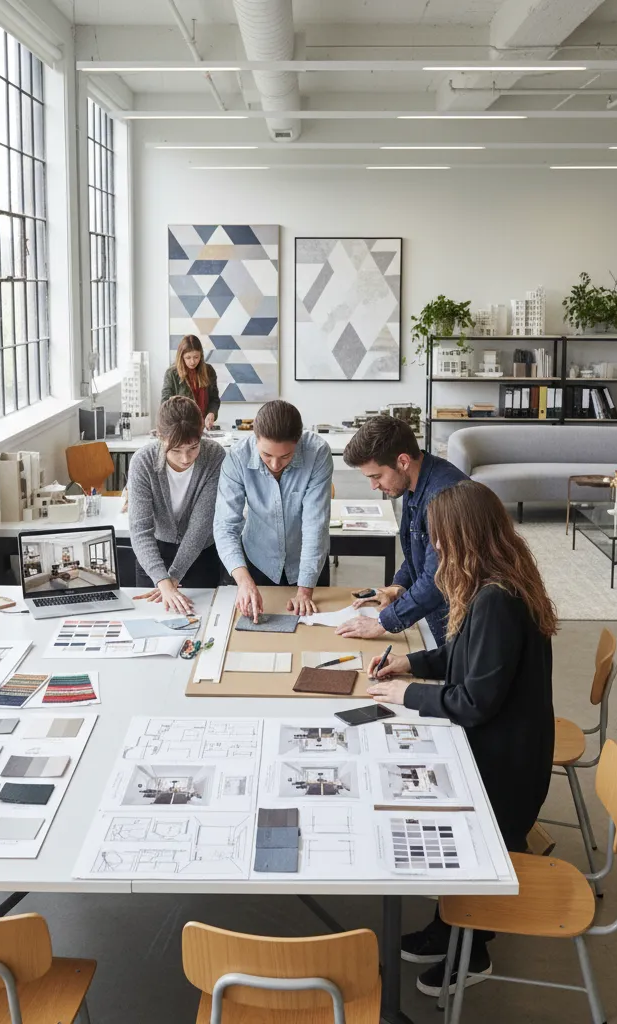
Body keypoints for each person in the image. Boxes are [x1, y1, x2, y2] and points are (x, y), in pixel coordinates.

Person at [366, 480, 556, 998]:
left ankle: (475, 945)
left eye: (441, 540)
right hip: (507, 747)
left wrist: (408, 695)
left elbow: (474, 701)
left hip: (505, 770)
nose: (438, 551)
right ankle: (448, 921)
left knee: (422, 804)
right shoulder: (495, 582)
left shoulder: (497, 600)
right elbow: (464, 657)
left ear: (465, 537)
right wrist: (411, 662)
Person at [337, 415, 466, 645]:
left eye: (376, 476)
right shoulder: (413, 482)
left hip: (463, 628)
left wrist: (382, 623)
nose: (374, 486)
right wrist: (397, 587)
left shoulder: (444, 498)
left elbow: (437, 578)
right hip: (441, 621)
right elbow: (418, 552)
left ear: (403, 461)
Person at [214, 400, 333, 620]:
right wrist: (244, 581)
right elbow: (225, 526)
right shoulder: (236, 458)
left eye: (285, 456)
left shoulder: (317, 453)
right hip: (258, 561)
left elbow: (315, 524)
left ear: (297, 442)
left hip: (306, 563)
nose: (275, 464)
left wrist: (305, 591)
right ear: (255, 438)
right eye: (267, 455)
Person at [128, 396, 226, 614]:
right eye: (176, 450)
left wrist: (173, 578)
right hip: (154, 556)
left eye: (193, 447)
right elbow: (140, 530)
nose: (185, 458)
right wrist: (163, 581)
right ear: (160, 437)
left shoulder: (214, 456)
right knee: (152, 621)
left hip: (201, 555)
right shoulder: (142, 462)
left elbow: (201, 525)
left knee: (203, 619)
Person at [162, 335, 221, 431]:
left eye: (196, 357)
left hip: (203, 427)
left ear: (201, 355)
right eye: (188, 358)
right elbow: (165, 403)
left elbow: (214, 399)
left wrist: (211, 413)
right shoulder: (172, 373)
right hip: (180, 428)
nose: (192, 361)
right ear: (181, 357)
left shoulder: (209, 371)